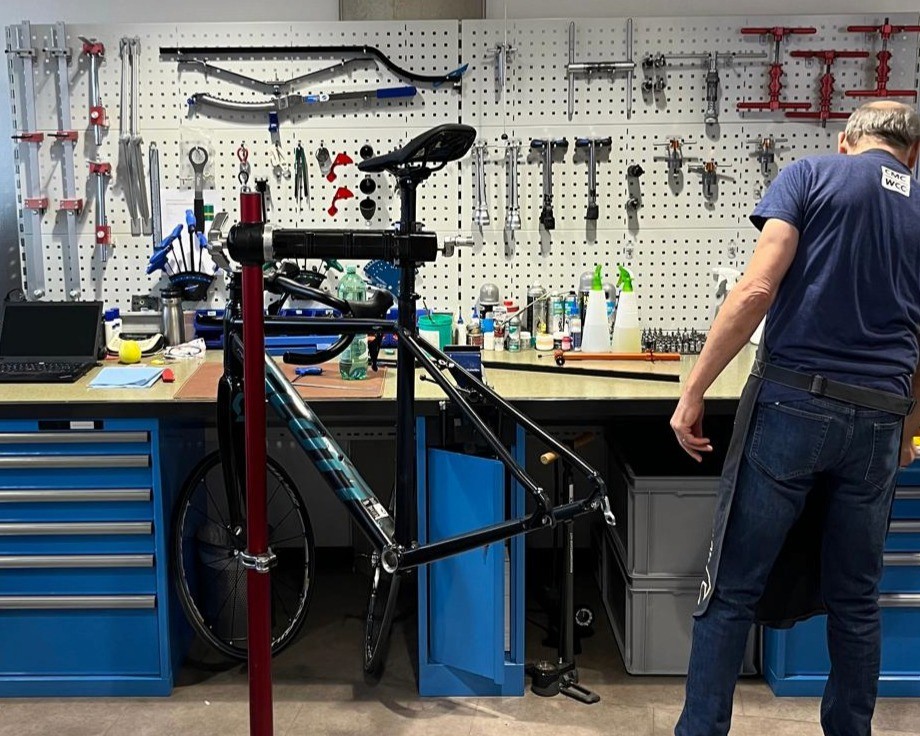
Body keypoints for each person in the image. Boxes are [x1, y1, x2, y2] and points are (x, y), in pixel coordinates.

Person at [669, 100, 920, 736]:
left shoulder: (809, 175)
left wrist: (694, 389)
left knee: (729, 592)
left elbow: (755, 289)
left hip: (793, 403)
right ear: (911, 154)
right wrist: (911, 423)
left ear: (846, 141)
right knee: (856, 600)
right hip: (881, 421)